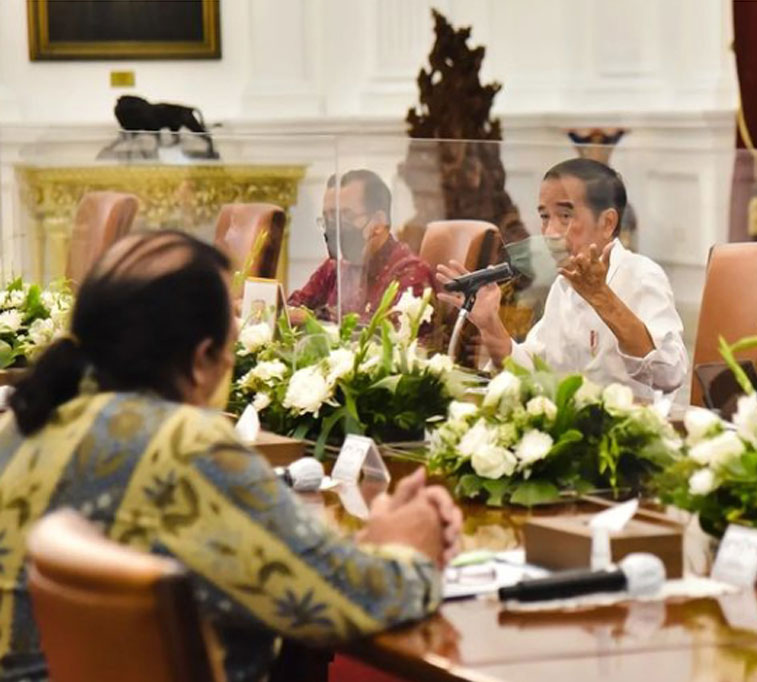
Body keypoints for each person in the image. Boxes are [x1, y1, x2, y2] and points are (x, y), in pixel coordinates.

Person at [0, 231, 461, 682]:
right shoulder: (184, 446)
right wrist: (406, 545)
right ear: (203, 358)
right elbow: (355, 595)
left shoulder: (24, 423)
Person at [437, 158, 687, 401]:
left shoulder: (641, 275)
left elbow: (669, 375)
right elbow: (533, 373)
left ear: (607, 222)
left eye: (566, 216)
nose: (551, 232)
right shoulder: (564, 285)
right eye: (545, 217)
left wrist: (601, 297)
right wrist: (490, 324)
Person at [288, 169, 434, 321]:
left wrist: (319, 319)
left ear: (378, 222)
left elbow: (387, 335)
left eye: (345, 216)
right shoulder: (335, 267)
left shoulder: (409, 273)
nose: (334, 226)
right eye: (328, 218)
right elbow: (294, 306)